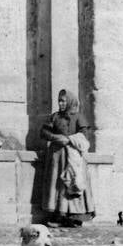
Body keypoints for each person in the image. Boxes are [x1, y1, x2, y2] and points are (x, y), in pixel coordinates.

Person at [38, 89, 94, 227]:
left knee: (74, 181)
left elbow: (84, 135)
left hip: (73, 156)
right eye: (59, 101)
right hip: (57, 157)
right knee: (57, 186)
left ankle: (75, 217)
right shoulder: (55, 117)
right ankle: (58, 217)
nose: (61, 104)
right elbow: (44, 132)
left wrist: (69, 139)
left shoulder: (78, 117)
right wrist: (56, 137)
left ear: (70, 101)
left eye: (63, 101)